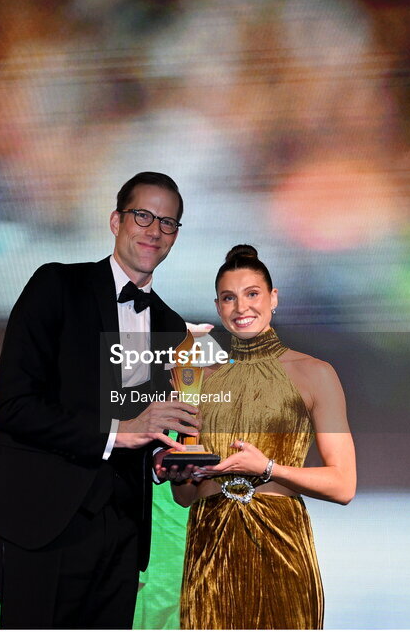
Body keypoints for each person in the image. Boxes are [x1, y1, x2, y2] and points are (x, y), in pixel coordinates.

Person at [0, 171, 200, 629]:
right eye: (143, 216)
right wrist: (117, 433)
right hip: (42, 514)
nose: (154, 230)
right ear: (115, 221)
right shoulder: (57, 285)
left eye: (167, 222)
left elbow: (145, 427)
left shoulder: (172, 326)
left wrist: (164, 461)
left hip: (123, 529)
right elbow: (14, 407)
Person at [164, 244, 357, 629]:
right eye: (229, 298)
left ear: (273, 298)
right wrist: (181, 472)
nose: (241, 307)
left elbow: (343, 484)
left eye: (252, 294)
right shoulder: (199, 379)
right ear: (218, 307)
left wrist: (268, 468)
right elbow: (184, 497)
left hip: (280, 547)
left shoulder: (314, 373)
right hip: (209, 550)